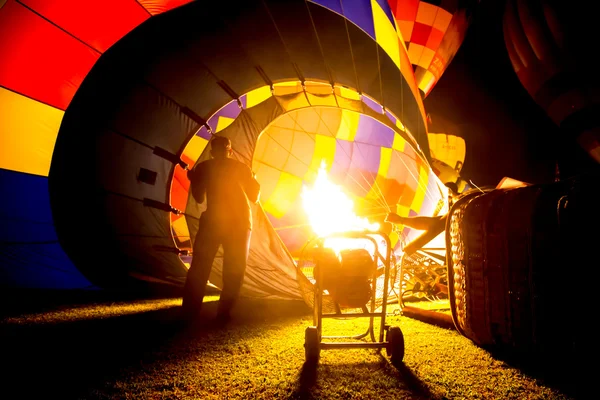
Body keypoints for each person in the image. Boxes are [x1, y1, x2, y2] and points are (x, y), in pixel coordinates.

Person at [182, 136, 260, 324]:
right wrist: (254, 179)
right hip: (239, 222)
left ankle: (189, 313)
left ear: (211, 151)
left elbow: (199, 198)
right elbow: (254, 197)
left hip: (214, 221)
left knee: (199, 268)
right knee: (235, 270)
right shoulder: (241, 168)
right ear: (230, 150)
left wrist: (193, 180)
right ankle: (224, 314)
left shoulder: (204, 168)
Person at [385, 182, 459, 255]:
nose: (443, 199)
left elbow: (433, 225)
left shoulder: (458, 209)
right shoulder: (451, 209)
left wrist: (401, 220)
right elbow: (434, 222)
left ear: (448, 191)